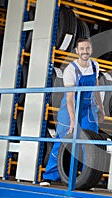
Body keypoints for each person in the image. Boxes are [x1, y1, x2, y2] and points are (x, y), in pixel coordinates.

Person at [40, 37, 104, 186]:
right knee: (62, 140)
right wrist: (73, 121)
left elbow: (96, 88)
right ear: (77, 51)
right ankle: (49, 176)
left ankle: (86, 178)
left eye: (87, 48)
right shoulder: (70, 69)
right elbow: (70, 98)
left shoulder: (95, 65)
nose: (85, 51)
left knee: (90, 141)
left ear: (91, 49)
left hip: (88, 108)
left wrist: (100, 108)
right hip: (71, 108)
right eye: (82, 49)